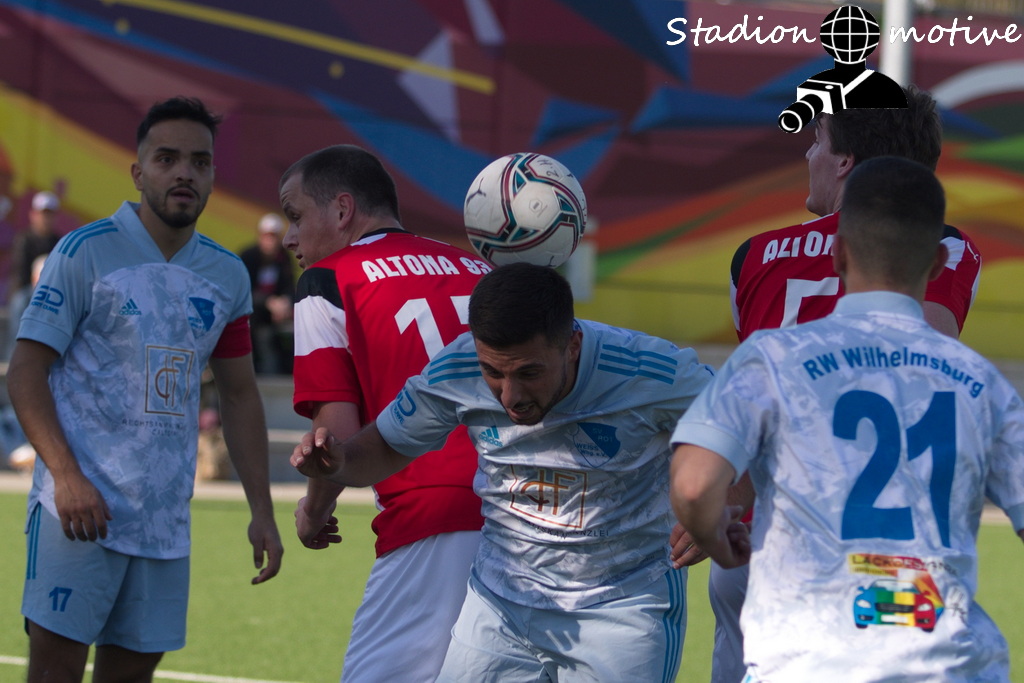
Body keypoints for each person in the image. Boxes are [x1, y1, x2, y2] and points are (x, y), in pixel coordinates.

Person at [670, 156, 1024, 682]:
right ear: (935, 265)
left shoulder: (770, 358)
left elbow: (694, 485)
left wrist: (720, 539)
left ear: (837, 255)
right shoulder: (983, 384)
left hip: (805, 663)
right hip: (948, 664)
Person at [291, 262, 715, 682]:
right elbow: (386, 445)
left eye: (529, 372)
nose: (510, 396)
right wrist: (341, 463)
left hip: (620, 605)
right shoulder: (457, 366)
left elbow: (742, 423)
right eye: (493, 372)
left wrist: (724, 503)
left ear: (572, 345)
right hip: (498, 603)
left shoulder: (652, 371)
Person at [8, 96, 283, 683]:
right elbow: (25, 371)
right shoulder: (83, 251)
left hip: (164, 522)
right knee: (54, 673)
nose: (184, 172)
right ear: (138, 172)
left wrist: (261, 509)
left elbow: (239, 395)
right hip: (77, 511)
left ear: (212, 175)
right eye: (167, 158)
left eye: (199, 162)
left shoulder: (227, 275)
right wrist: (66, 477)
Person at [279, 144, 489, 682]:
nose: (288, 237)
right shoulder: (481, 269)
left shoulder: (328, 280)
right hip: (534, 512)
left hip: (433, 515)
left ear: (342, 209)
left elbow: (335, 438)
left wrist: (312, 512)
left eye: (295, 216)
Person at [6, 190, 61, 360]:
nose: (45, 218)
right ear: (33, 214)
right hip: (29, 290)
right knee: (19, 302)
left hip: (52, 292)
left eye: (49, 214)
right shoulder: (24, 239)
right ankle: (14, 357)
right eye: (42, 213)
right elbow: (20, 274)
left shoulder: (58, 242)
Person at [238, 212, 295, 375]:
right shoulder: (248, 257)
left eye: (274, 237)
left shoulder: (284, 259)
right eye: (267, 236)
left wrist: (285, 302)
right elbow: (242, 291)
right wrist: (268, 302)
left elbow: (289, 286)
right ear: (260, 236)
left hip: (276, 314)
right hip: (251, 313)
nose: (270, 241)